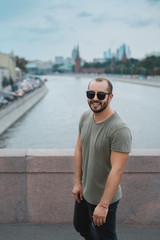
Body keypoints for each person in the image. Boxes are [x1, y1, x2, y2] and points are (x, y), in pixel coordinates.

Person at [72, 78, 132, 240]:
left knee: (106, 237)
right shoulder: (85, 117)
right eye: (91, 94)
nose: (95, 98)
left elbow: (117, 170)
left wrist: (104, 205)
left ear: (110, 97)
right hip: (84, 191)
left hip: (104, 197)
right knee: (81, 226)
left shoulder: (119, 129)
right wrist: (78, 182)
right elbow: (79, 149)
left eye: (101, 94)